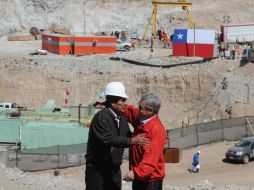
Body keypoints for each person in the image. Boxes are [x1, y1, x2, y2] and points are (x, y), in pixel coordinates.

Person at [85, 82, 149, 190]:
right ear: (112, 101)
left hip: (113, 169)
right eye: (122, 100)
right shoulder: (101, 118)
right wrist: (132, 141)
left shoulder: (121, 118)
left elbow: (128, 135)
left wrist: (149, 138)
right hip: (97, 170)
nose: (125, 104)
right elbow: (108, 139)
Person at [123, 92, 166, 190]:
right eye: (139, 106)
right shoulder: (141, 118)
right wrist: (113, 103)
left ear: (151, 111)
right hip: (141, 178)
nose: (139, 110)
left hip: (150, 181)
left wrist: (135, 173)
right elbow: (129, 111)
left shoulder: (156, 129)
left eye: (141, 108)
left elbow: (150, 159)